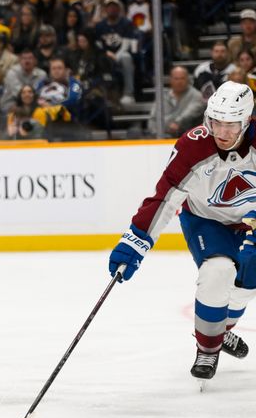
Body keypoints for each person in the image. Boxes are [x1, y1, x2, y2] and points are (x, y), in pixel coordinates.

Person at [108, 81, 255, 384]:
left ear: (247, 121)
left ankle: (221, 330)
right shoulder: (193, 145)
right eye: (216, 122)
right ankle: (208, 347)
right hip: (205, 220)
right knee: (218, 272)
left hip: (251, 220)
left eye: (231, 125)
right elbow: (165, 197)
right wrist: (135, 241)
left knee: (248, 280)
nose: (222, 132)